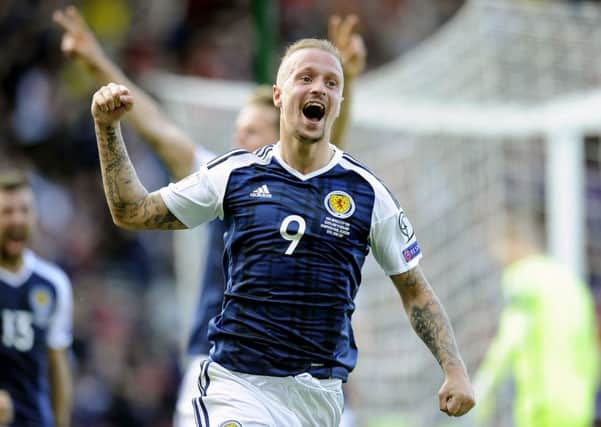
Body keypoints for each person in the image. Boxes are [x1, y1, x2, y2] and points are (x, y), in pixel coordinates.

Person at [90, 38, 475, 425]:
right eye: (305, 77)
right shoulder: (234, 176)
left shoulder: (367, 194)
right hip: (238, 386)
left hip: (317, 400)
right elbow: (132, 211)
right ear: (279, 95)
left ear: (339, 103)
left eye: (331, 83)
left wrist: (454, 369)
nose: (319, 88)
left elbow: (415, 290)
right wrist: (107, 129)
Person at [54, 6, 365, 426]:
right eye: (238, 131)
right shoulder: (227, 178)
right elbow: (157, 127)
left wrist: (347, 83)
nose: (239, 140)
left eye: (251, 132)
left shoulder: (309, 185)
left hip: (292, 377)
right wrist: (95, 60)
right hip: (221, 367)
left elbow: (327, 149)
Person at [474, 213, 600, 427]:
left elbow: (510, 336)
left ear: (513, 244)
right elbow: (591, 348)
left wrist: (482, 390)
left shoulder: (523, 278)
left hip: (542, 407)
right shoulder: (572, 284)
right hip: (578, 406)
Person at [0, 170, 73, 427]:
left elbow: (57, 365)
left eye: (24, 210)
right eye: (7, 212)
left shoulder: (53, 284)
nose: (17, 220)